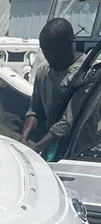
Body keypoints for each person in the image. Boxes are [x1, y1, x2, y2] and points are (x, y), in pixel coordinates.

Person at [21, 18, 85, 155]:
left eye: (51, 49)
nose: (46, 54)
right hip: (54, 147)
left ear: (69, 43)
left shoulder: (85, 75)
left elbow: (67, 122)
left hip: (82, 149)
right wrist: (24, 136)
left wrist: (38, 147)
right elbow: (35, 109)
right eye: (43, 49)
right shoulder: (43, 73)